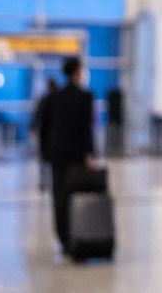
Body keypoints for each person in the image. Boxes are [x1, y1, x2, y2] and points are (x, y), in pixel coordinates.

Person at [46, 57, 95, 252]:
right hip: (76, 156)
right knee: (76, 196)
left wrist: (46, 153)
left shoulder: (54, 97)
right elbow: (86, 129)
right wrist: (89, 154)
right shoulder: (85, 96)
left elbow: (48, 127)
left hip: (57, 155)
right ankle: (77, 235)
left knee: (59, 198)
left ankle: (63, 239)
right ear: (77, 72)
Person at [31, 78, 59, 192]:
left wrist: (33, 128)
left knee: (44, 160)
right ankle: (50, 182)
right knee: (51, 160)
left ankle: (44, 182)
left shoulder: (45, 100)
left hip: (46, 134)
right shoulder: (57, 99)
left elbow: (39, 116)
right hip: (54, 135)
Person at [105, 85, 124, 157]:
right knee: (112, 133)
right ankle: (112, 149)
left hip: (117, 116)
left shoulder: (118, 96)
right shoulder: (111, 96)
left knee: (117, 134)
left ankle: (117, 148)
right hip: (112, 116)